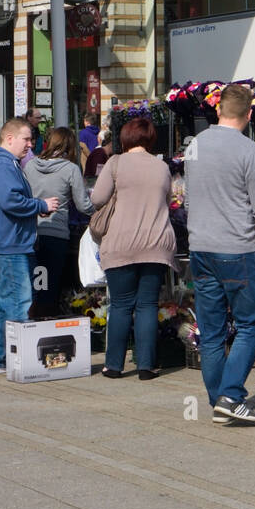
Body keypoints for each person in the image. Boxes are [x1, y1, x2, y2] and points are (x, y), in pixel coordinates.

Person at [184, 82, 255, 426]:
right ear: (249, 114)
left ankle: (218, 400)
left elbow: (188, 199)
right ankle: (230, 396)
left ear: (218, 110)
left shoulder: (195, 146)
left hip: (200, 247)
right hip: (238, 250)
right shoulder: (251, 152)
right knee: (252, 323)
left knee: (211, 331)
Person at [91, 117, 177, 380]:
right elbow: (169, 199)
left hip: (121, 244)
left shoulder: (115, 163)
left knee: (120, 305)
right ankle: (146, 366)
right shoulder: (162, 166)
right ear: (150, 139)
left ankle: (113, 366)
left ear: (125, 138)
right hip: (156, 243)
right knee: (147, 305)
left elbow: (97, 198)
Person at [0, 118, 60, 375]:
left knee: (2, 303)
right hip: (6, 246)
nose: (30, 144)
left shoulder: (2, 163)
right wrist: (40, 205)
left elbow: (10, 201)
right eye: (26, 139)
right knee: (19, 303)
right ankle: (22, 363)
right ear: (9, 138)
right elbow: (10, 201)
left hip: (1, 243)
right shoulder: (2, 165)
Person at [24, 127, 93, 318]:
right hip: (56, 234)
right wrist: (101, 211)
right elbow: (83, 205)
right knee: (51, 284)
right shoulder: (70, 169)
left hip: (31, 232)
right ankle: (46, 326)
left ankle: (32, 321)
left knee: (36, 282)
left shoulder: (30, 166)